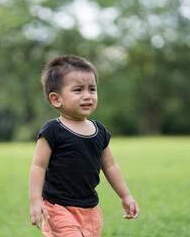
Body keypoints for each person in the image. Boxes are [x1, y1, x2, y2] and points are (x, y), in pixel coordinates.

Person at [29, 54, 139, 236]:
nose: (87, 96)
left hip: (90, 209)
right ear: (56, 99)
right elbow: (38, 165)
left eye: (92, 89)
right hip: (58, 207)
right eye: (78, 90)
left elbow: (110, 165)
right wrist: (35, 201)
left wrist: (125, 195)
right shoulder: (53, 130)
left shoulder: (99, 131)